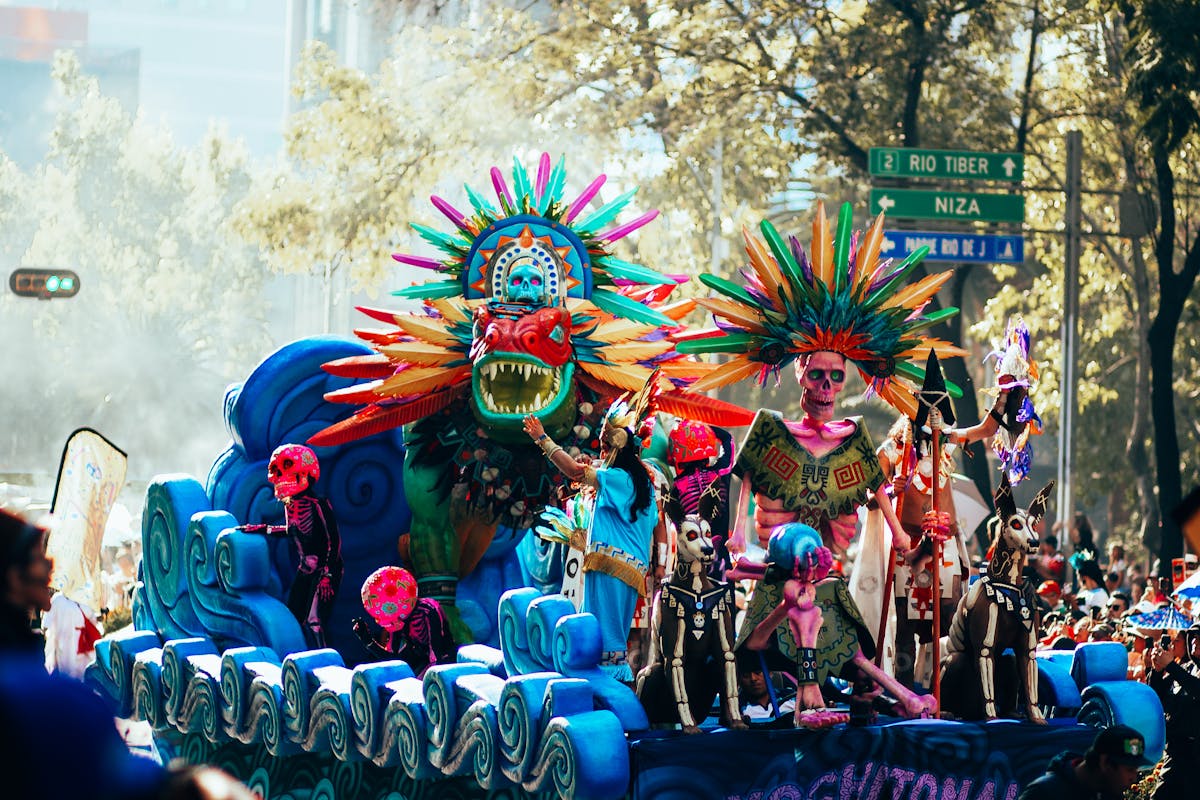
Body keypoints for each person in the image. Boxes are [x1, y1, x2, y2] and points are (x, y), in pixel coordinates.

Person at [523, 379, 658, 680]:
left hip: (612, 567)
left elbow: (573, 471)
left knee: (607, 646)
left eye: (605, 445)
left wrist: (542, 438)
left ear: (617, 445)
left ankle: (615, 694)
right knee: (601, 637)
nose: (602, 451)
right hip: (621, 567)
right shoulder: (638, 480)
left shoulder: (619, 477)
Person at [239, 444, 342, 649]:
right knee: (294, 616)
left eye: (284, 469)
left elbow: (333, 540)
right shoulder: (291, 505)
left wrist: (328, 574)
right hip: (305, 568)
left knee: (315, 619)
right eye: (275, 471)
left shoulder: (318, 504)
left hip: (323, 569)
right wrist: (260, 529)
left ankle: (325, 656)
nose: (276, 478)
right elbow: (291, 531)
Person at [1019, 724, 1155, 800]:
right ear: (1104, 762)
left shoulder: (1109, 793)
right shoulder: (1044, 793)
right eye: (1130, 769)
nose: (1134, 778)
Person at [1147, 622, 1200, 800]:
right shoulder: (1186, 668)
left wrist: (1170, 666)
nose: (1195, 642)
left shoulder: (1179, 671)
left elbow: (1196, 688)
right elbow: (1157, 696)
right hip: (1176, 752)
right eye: (1193, 637)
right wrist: (1157, 670)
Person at [0, 508, 53, 654]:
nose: (50, 566)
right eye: (39, 558)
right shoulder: (13, 657)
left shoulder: (21, 645)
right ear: (15, 577)